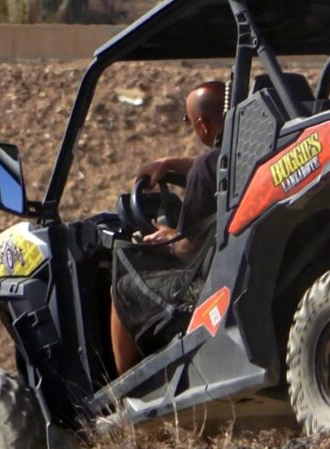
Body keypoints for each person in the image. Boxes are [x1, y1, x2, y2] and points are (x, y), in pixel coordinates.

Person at [111, 81, 225, 375]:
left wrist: (171, 236)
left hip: (205, 285)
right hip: (234, 270)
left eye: (188, 121)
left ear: (202, 124)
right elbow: (215, 164)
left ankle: (126, 393)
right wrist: (170, 163)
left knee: (122, 287)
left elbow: (188, 250)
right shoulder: (248, 155)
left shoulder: (207, 169)